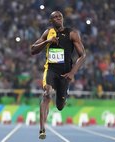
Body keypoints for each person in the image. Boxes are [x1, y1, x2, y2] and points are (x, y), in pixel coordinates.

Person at [31, 11, 86, 139]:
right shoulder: (47, 33)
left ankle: (63, 97)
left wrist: (73, 72)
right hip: (50, 69)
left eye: (60, 16)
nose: (58, 18)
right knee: (47, 94)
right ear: (51, 21)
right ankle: (42, 129)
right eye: (55, 17)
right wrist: (47, 42)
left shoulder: (71, 33)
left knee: (60, 106)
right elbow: (33, 49)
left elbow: (83, 55)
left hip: (65, 73)